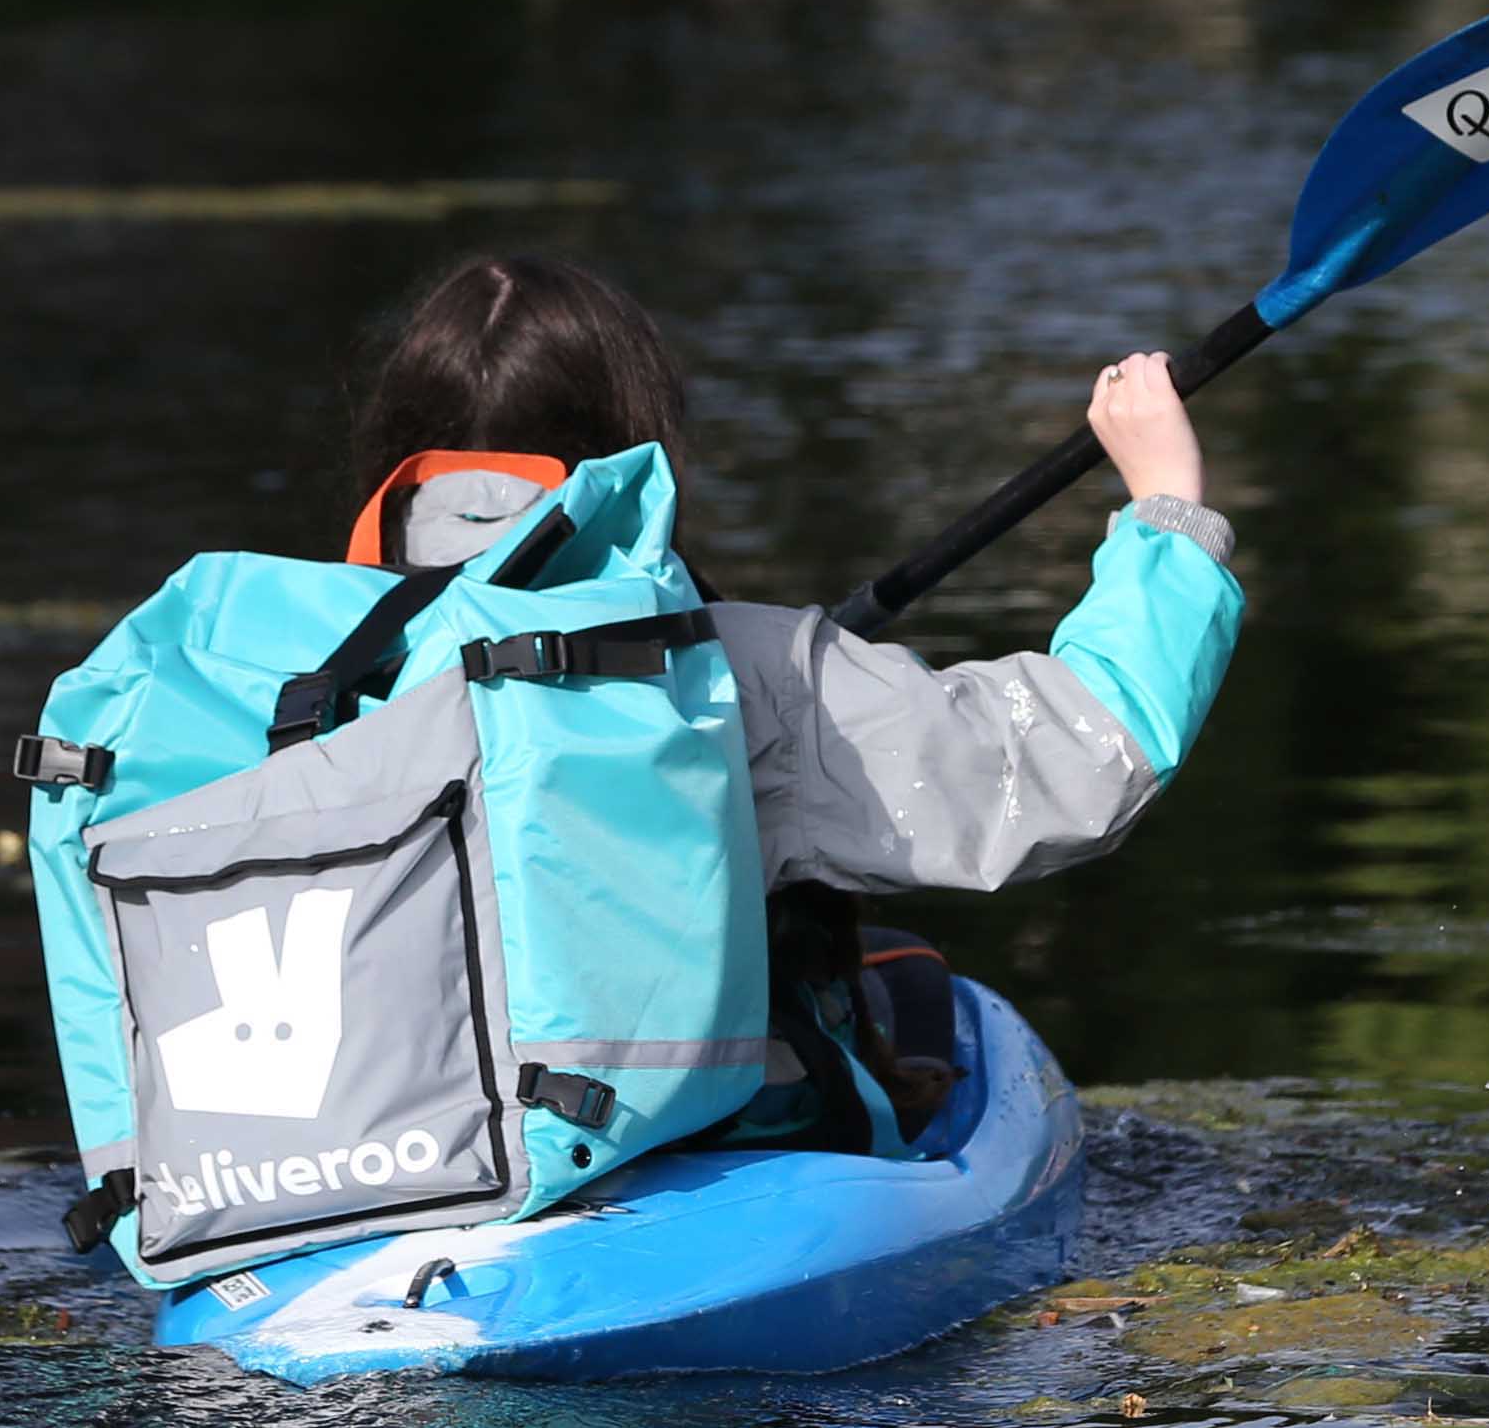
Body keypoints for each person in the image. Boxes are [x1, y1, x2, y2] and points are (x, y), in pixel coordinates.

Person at [335, 256, 1240, 1142]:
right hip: (670, 1147)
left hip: (391, 1145)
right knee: (920, 993)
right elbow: (1085, 753)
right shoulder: (742, 672)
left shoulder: (312, 666)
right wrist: (1167, 505)